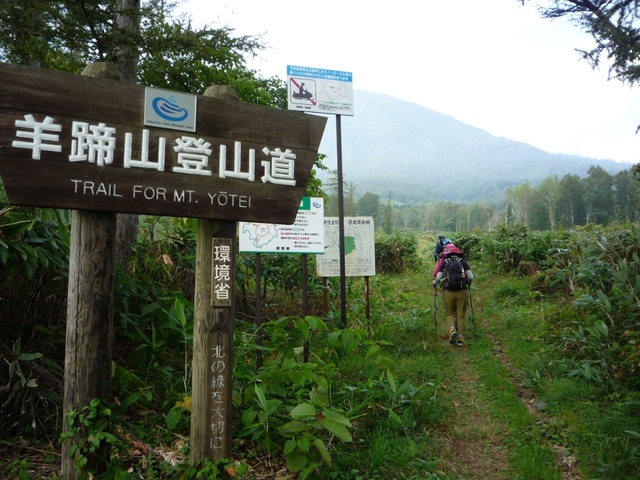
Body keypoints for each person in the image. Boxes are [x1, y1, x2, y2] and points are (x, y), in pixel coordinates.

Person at [433, 247, 474, 347]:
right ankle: (460, 339)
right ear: (458, 254)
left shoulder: (445, 262)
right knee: (461, 315)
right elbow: (471, 277)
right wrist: (468, 282)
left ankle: (452, 329)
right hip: (461, 291)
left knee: (450, 313)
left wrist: (434, 283)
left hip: (448, 291)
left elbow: (438, 278)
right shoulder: (463, 262)